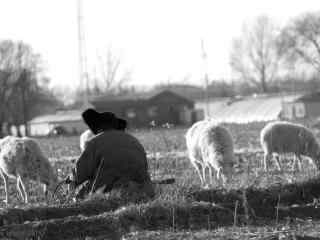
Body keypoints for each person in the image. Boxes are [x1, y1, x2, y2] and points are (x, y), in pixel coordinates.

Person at [70, 108, 154, 199]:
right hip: (143, 193)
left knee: (79, 196)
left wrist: (70, 181)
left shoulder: (95, 142)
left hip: (110, 194)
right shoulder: (134, 141)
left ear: (99, 126)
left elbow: (79, 174)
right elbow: (145, 168)